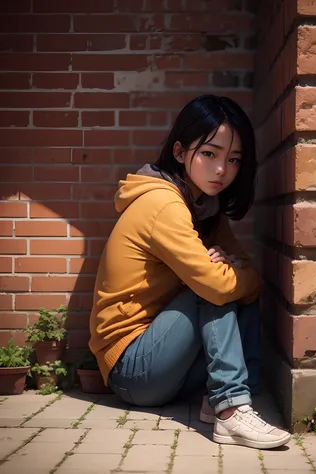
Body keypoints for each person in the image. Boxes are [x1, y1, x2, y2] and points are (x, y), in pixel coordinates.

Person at [89, 95, 291, 449]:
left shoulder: (207, 209)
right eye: (210, 154)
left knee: (227, 284)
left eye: (233, 160)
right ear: (181, 152)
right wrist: (233, 275)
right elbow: (221, 285)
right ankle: (230, 410)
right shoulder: (163, 204)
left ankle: (231, 401)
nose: (221, 170)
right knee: (212, 288)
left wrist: (236, 274)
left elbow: (250, 279)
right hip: (132, 369)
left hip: (169, 364)